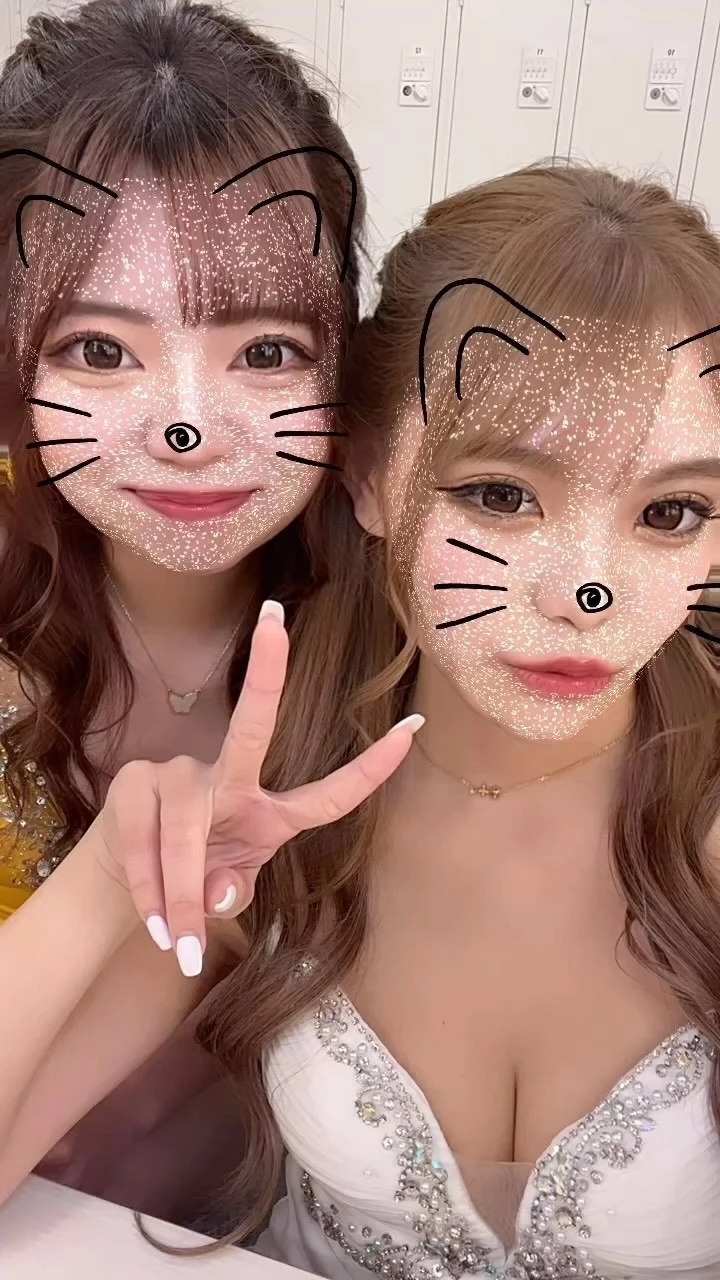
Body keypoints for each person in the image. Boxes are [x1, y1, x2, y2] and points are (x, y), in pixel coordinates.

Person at [3, 162, 720, 1278]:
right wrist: (110, 877)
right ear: (371, 475)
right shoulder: (286, 812)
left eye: (670, 511)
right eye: (501, 494)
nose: (587, 592)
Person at [0, 0, 371, 1222]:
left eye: (265, 351)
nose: (187, 427)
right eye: (100, 351)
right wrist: (110, 874)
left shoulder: (398, 648)